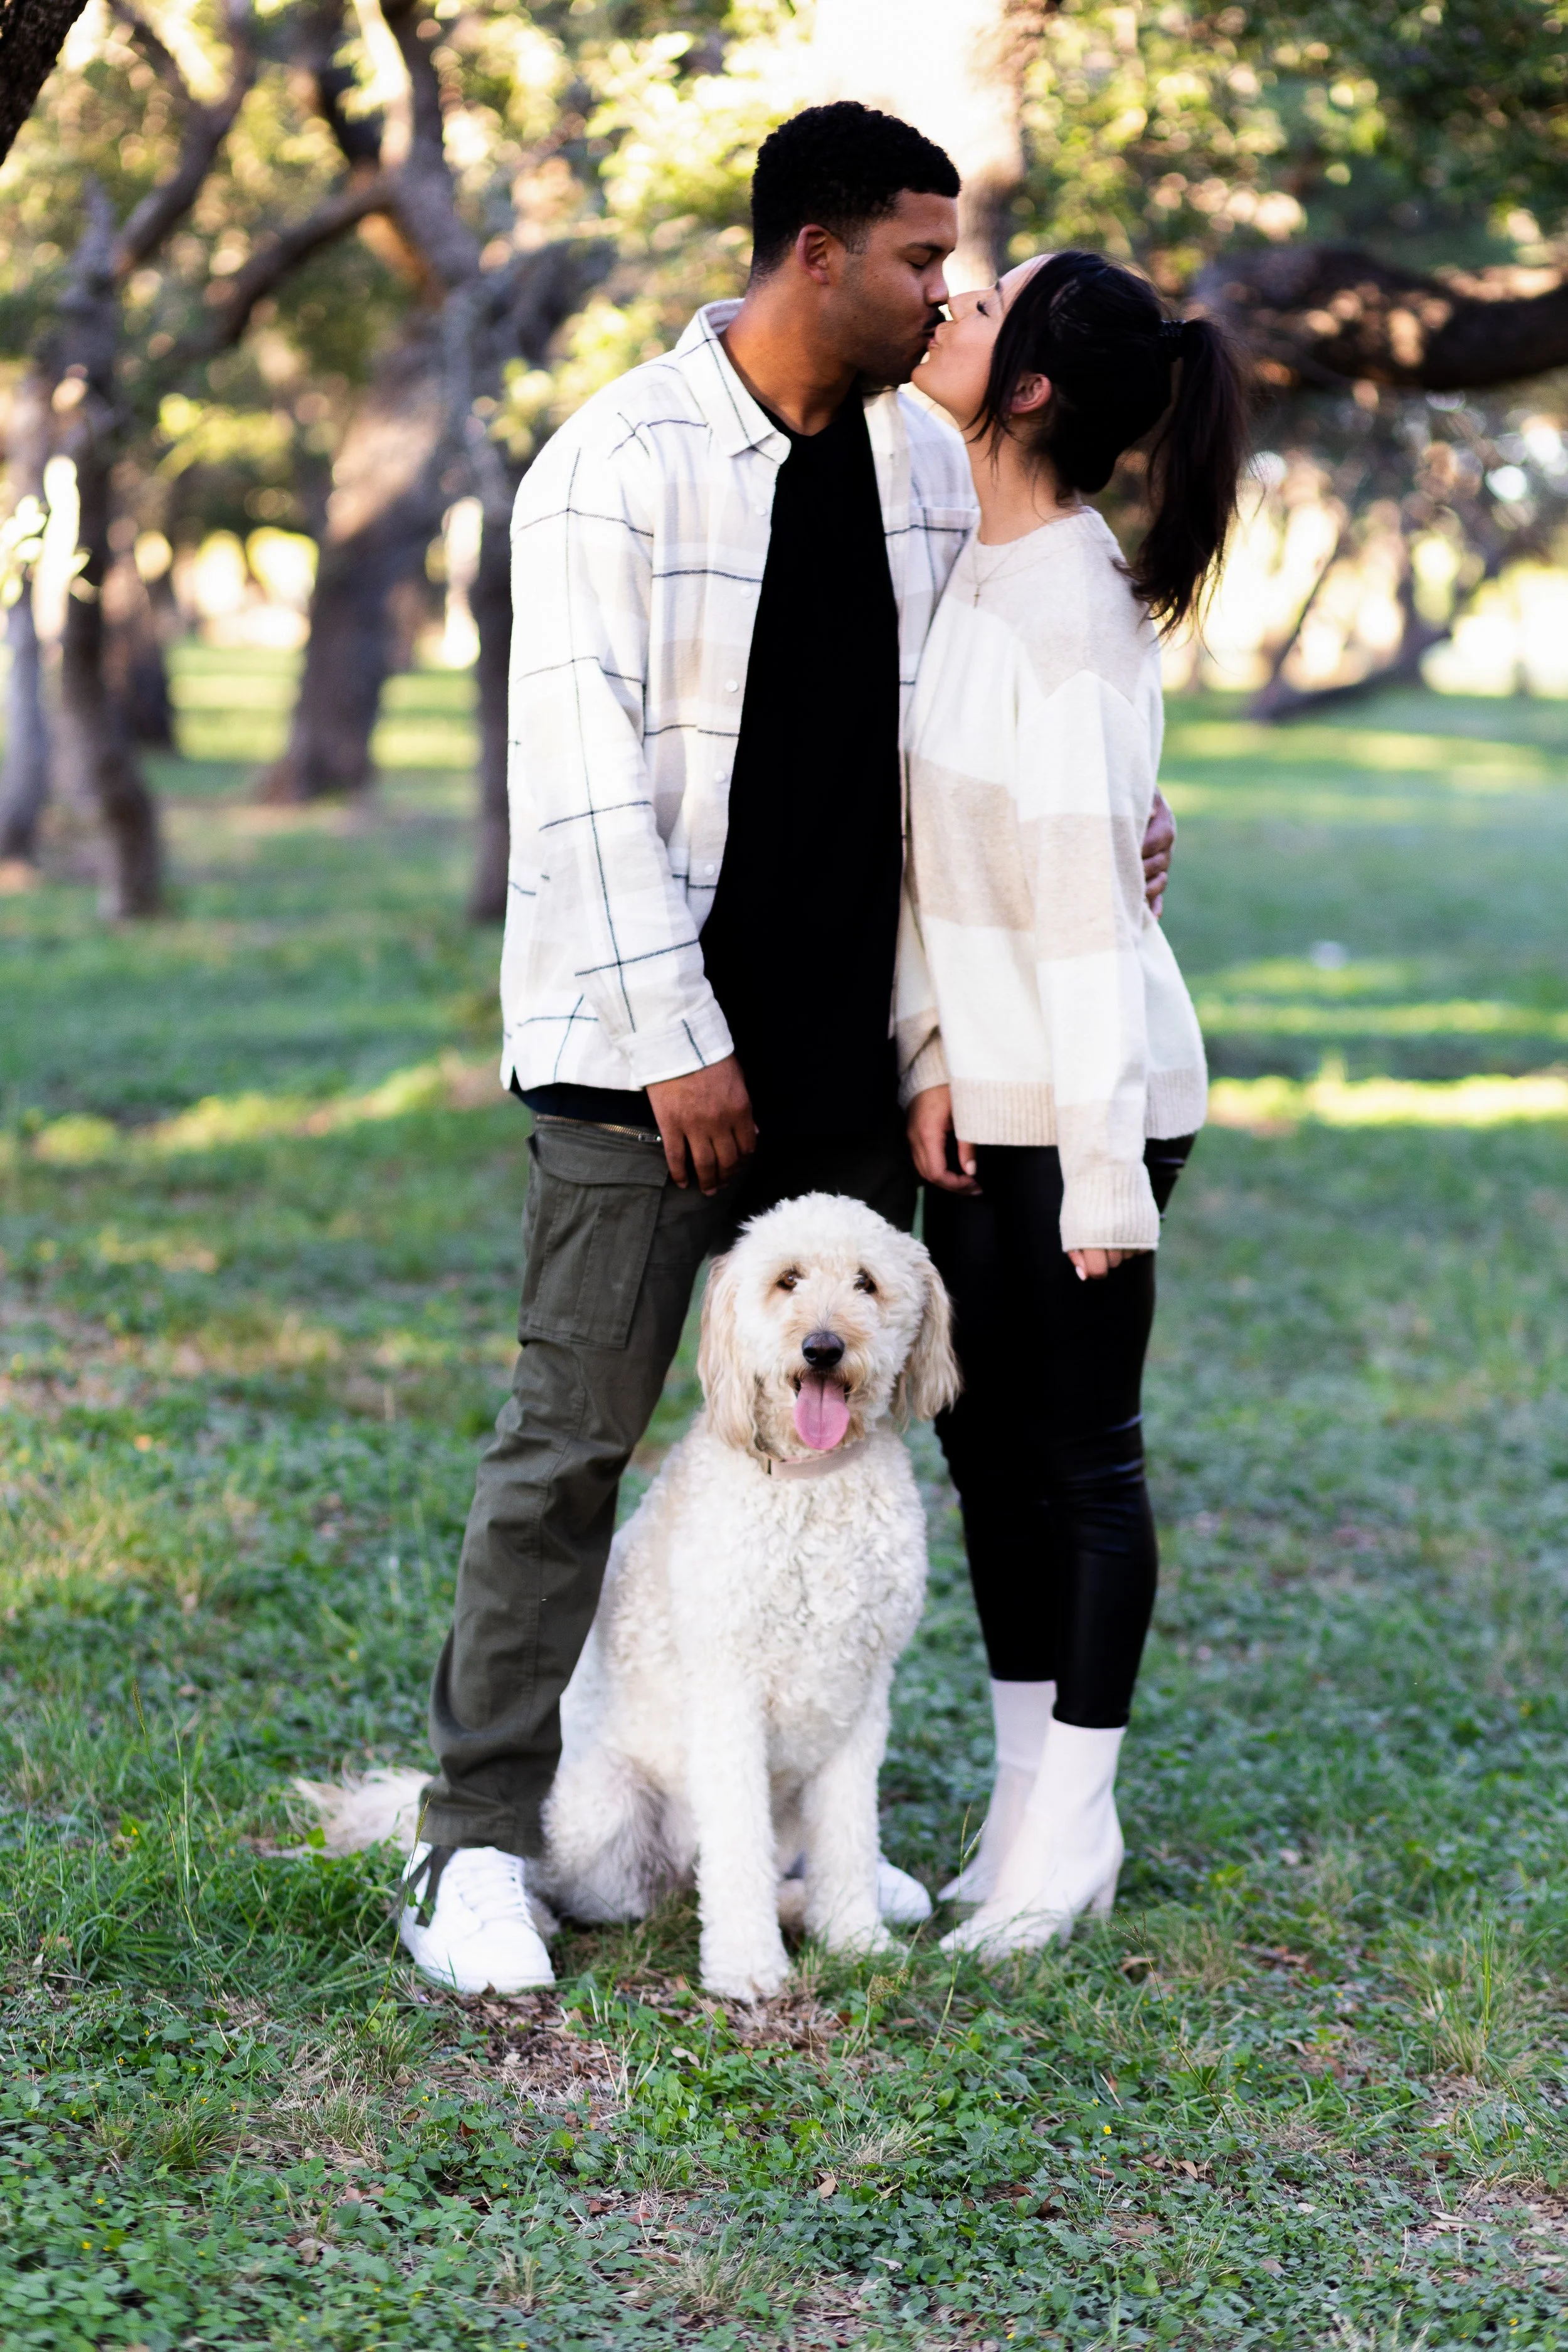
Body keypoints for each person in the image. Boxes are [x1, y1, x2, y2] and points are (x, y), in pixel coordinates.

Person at [401, 113, 1178, 1994]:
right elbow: (577, 795)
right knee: (571, 1442)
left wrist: (1067, 882)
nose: (946, 292)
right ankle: (476, 1844)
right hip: (631, 1056)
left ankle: (831, 1831)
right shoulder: (615, 468)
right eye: (925, 259)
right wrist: (678, 1045)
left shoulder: (930, 468)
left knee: (839, 1451)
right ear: (815, 253)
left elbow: (965, 766)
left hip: (840, 1064)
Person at [898, 248, 1244, 1956]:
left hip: (1090, 1104)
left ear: (1028, 386)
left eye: (981, 306)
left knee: (1080, 1460)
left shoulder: (1068, 620)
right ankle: (1018, 1803)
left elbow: (1093, 924)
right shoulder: (984, 561)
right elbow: (951, 878)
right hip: (992, 1088)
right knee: (982, 1445)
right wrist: (940, 1055)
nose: (946, 310)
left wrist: (1104, 1174)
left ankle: (1072, 1837)